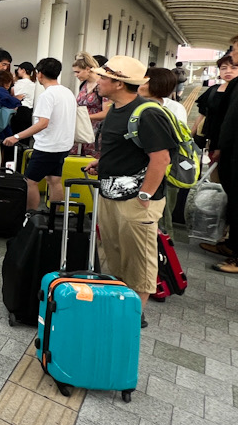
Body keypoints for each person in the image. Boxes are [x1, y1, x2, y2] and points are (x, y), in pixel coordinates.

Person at [84, 56, 177, 327]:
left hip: (137, 201)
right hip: (110, 193)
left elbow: (160, 159)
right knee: (113, 251)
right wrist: (101, 162)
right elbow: (125, 147)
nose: (98, 81)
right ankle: (118, 304)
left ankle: (134, 315)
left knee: (138, 258)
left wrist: (145, 195)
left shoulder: (148, 113)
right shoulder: (116, 109)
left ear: (118, 82)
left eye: (102, 77)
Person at [3, 58, 76, 210]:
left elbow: (43, 123)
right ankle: (54, 215)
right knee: (54, 180)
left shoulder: (47, 95)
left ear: (40, 74)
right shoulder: (67, 92)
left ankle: (30, 215)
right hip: (63, 144)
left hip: (47, 146)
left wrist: (16, 136)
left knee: (30, 181)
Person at [201, 35, 238, 272]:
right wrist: (217, 145)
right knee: (232, 197)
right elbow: (223, 118)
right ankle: (230, 245)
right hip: (229, 149)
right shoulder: (235, 85)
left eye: (234, 50)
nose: (232, 53)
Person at [138, 68, 188, 237]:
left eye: (144, 80)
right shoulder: (138, 105)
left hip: (166, 169)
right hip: (145, 168)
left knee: (163, 215)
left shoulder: (174, 108)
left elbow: (170, 146)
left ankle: (165, 252)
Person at [192, 53, 237, 152]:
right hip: (212, 141)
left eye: (233, 68)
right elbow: (202, 115)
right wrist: (190, 137)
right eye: (223, 68)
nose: (228, 71)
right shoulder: (213, 90)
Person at [70, 52, 109, 158]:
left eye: (78, 72)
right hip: (82, 128)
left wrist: (85, 117)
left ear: (88, 69)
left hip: (96, 132)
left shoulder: (102, 85)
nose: (76, 75)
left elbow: (106, 112)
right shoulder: (84, 85)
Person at [10, 62, 36, 143]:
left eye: (19, 69)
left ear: (23, 70)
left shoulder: (20, 83)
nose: (17, 71)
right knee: (25, 137)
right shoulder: (33, 84)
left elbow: (13, 94)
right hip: (29, 111)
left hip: (20, 110)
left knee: (16, 136)